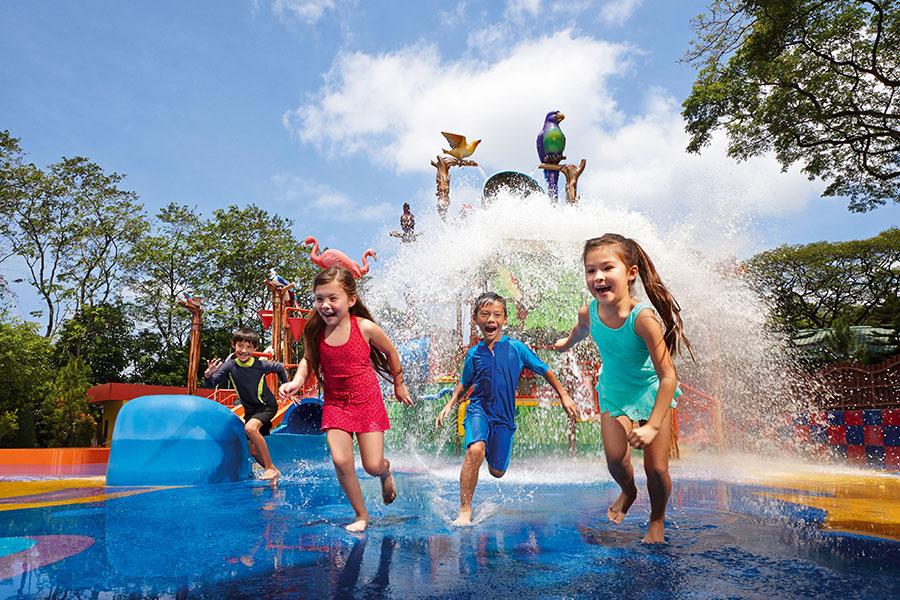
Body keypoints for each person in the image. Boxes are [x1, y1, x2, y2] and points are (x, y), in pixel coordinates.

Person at [554, 234, 692, 543]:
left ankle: (656, 520)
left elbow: (668, 376)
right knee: (615, 459)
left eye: (607, 268)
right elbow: (580, 331)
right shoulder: (589, 311)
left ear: (630, 273)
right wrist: (566, 344)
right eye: (591, 270)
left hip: (650, 392)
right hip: (614, 391)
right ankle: (628, 491)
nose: (598, 277)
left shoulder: (643, 319)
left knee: (656, 469)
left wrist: (653, 425)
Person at [279, 267, 413, 532]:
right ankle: (361, 514)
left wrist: (399, 383)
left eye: (332, 298)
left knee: (372, 465)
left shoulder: (365, 328)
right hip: (336, 403)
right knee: (341, 461)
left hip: (367, 401)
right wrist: (296, 381)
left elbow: (390, 352)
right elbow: (309, 360)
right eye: (319, 299)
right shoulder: (315, 331)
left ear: (351, 300)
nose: (325, 305)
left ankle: (386, 472)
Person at [435, 292, 576, 526]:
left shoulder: (517, 349)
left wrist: (564, 396)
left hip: (504, 418)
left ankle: (489, 447)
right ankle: (464, 509)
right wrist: (450, 404)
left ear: (505, 320)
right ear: (476, 320)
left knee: (497, 471)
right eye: (485, 315)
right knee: (475, 450)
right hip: (478, 410)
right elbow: (465, 384)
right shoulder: (474, 354)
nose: (491, 319)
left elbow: (545, 370)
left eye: (497, 315)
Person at [204, 327, 288, 482]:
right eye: (240, 346)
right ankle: (275, 473)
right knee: (253, 451)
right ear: (233, 346)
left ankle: (269, 468)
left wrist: (286, 387)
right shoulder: (230, 366)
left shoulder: (260, 365)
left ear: (255, 349)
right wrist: (208, 375)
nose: (244, 350)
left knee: (250, 428)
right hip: (250, 411)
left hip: (266, 406)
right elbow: (212, 383)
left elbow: (279, 368)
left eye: (249, 347)